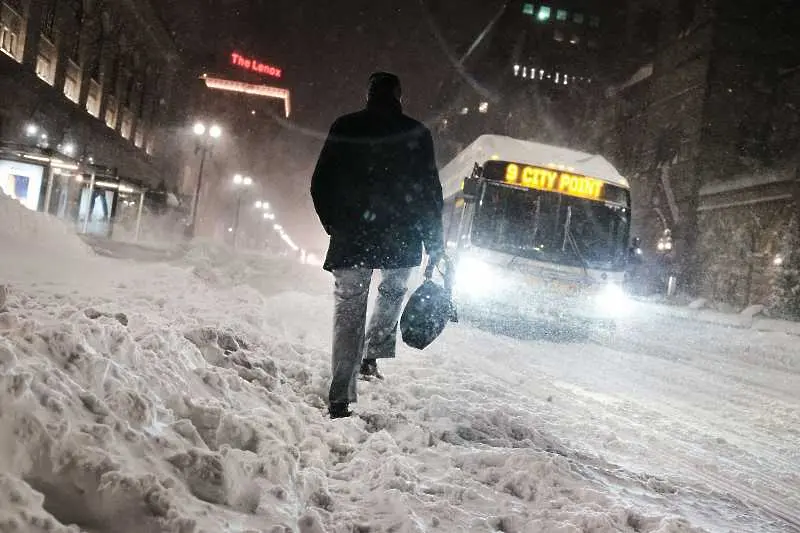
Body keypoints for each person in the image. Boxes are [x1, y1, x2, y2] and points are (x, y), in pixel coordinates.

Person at [310, 72, 444, 419]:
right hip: (399, 240)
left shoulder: (346, 126)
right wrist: (435, 244)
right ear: (400, 97)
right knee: (392, 291)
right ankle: (372, 354)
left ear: (367, 94)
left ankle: (340, 396)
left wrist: (334, 224)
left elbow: (320, 182)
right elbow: (430, 194)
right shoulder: (417, 134)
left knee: (349, 312)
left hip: (353, 238)